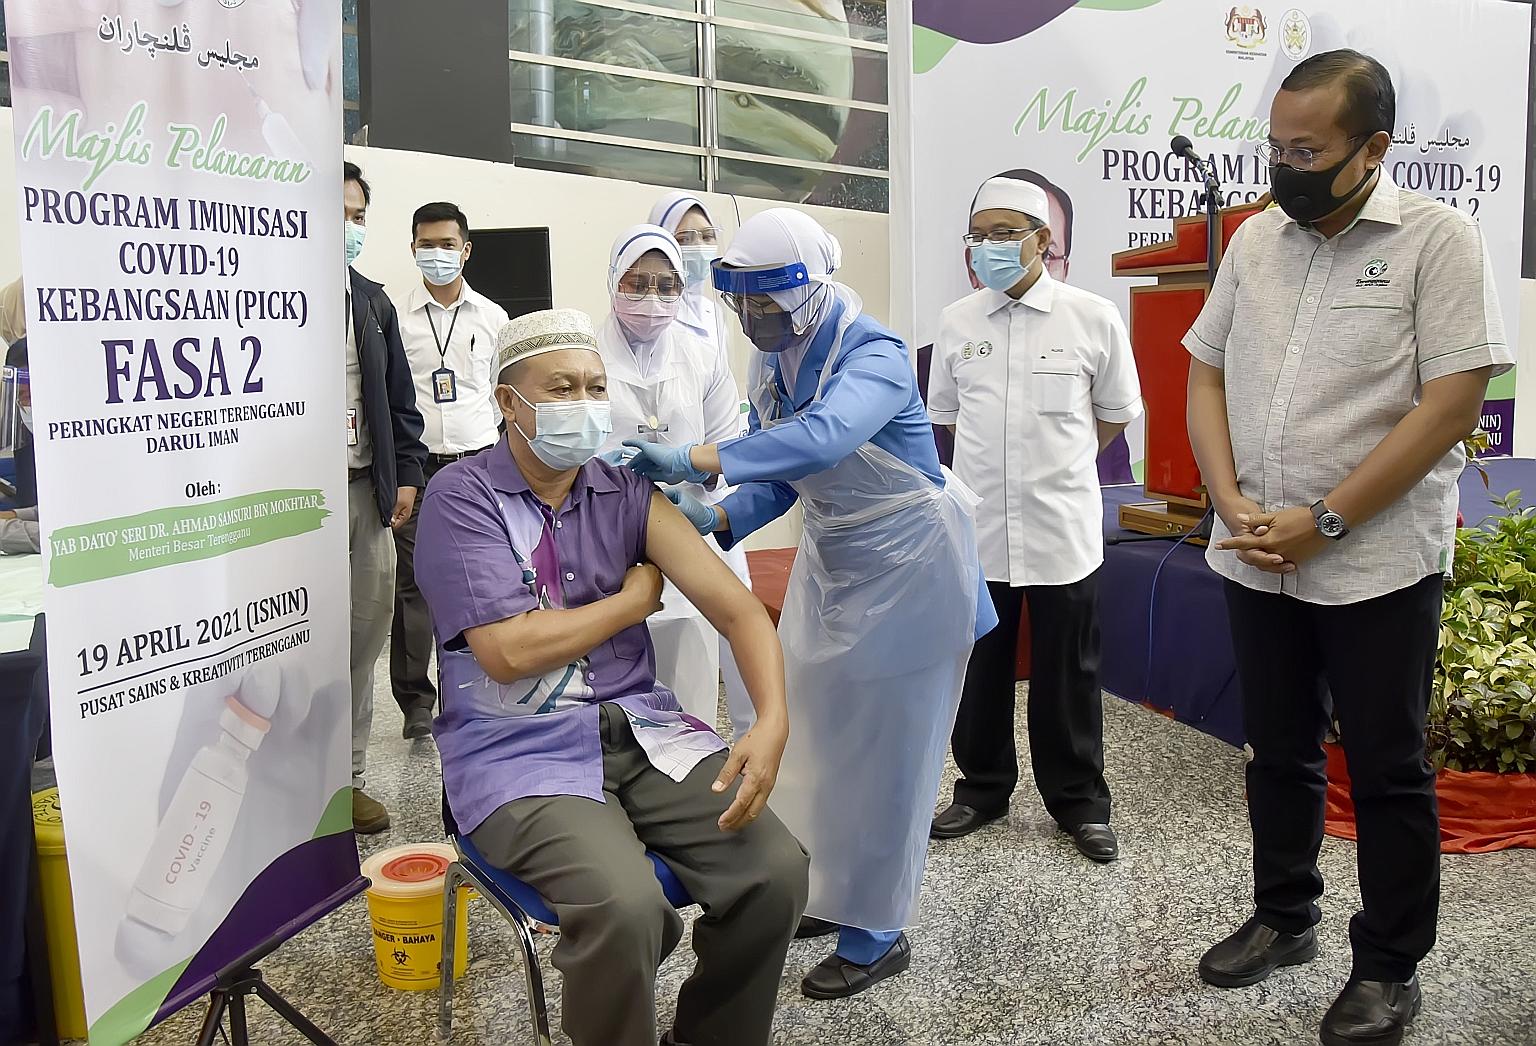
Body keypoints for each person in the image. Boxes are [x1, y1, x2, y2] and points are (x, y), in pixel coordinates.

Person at [1184, 50, 1510, 1046]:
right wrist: (1229, 499)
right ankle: (1285, 914)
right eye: (1275, 146)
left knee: (1385, 765)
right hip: (1256, 548)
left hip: (1375, 561)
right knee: (1276, 748)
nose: (1285, 167)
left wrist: (1326, 518)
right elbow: (1204, 372)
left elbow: (1452, 403)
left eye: (1308, 151)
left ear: (1373, 148)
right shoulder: (1254, 240)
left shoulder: (1438, 240)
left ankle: (1388, 965)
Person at [625, 208, 997, 999]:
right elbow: (787, 474)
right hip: (836, 561)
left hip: (913, 566)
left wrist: (694, 457)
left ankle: (878, 929)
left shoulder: (876, 354)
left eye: (768, 301)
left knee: (892, 757)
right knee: (819, 742)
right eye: (743, 302)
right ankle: (827, 889)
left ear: (810, 287)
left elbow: (824, 437)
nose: (754, 317)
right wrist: (719, 518)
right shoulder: (776, 358)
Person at [412, 308, 808, 1046]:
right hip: (516, 750)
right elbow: (508, 652)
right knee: (625, 908)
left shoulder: (624, 492)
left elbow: (739, 612)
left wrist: (771, 720)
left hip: (644, 731)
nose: (585, 403)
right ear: (508, 402)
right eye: (562, 388)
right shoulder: (462, 497)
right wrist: (631, 602)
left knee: (776, 872)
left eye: (595, 387)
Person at [928, 176, 1144, 863]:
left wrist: (1062, 465)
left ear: (1042, 240)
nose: (988, 246)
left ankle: (1080, 802)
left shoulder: (1092, 316)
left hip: (1062, 531)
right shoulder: (957, 322)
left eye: (1003, 233)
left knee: (1068, 672)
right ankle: (982, 789)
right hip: (981, 532)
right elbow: (945, 420)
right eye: (979, 235)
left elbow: (1115, 414)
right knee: (981, 669)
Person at [595, 225, 745, 724]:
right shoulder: (586, 352)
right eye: (636, 283)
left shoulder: (702, 354)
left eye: (666, 286)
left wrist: (693, 468)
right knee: (613, 682)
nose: (651, 298)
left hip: (684, 535)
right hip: (605, 538)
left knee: (690, 682)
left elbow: (728, 446)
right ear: (614, 279)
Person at [389, 201, 509, 741]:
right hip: (418, 466)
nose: (437, 254)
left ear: (466, 250)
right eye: (426, 245)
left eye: (447, 245)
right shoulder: (394, 315)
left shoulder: (492, 317)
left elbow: (503, 393)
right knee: (412, 586)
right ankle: (416, 700)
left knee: (481, 580)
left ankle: (478, 685)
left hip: (478, 463)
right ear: (412, 248)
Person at [648, 192, 758, 738]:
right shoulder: (646, 315)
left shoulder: (715, 312)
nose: (696, 247)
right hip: (650, 500)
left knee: (737, 611)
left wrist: (707, 467)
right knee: (674, 631)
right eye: (682, 237)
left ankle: (749, 730)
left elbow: (722, 405)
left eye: (704, 236)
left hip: (708, 488)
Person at [343, 161, 428, 834]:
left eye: (358, 216)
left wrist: (404, 473)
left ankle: (346, 780)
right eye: (337, 213)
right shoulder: (257, 297)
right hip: (287, 507)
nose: (350, 226)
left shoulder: (371, 303)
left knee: (362, 637)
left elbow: (400, 401)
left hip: (363, 492)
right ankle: (282, 779)